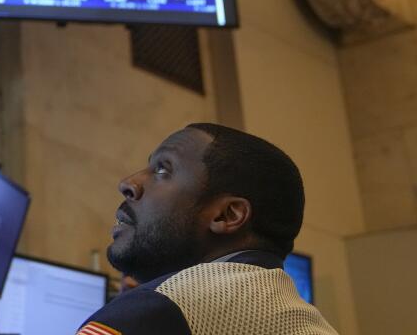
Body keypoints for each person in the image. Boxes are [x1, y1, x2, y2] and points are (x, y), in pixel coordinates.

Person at [75, 123, 337, 335]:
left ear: (227, 215)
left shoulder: (160, 307)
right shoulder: (310, 322)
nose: (128, 183)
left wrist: (137, 311)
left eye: (163, 170)